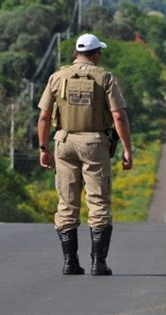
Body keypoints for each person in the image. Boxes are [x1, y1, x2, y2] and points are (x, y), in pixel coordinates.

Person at [37, 33, 133, 276]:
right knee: (98, 202)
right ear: (96, 54)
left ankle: (70, 262)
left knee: (67, 203)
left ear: (76, 53)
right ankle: (98, 264)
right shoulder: (105, 78)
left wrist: (43, 148)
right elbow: (119, 116)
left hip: (64, 141)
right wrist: (127, 149)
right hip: (94, 144)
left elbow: (44, 117)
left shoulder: (57, 77)